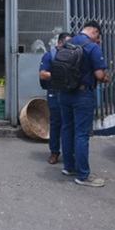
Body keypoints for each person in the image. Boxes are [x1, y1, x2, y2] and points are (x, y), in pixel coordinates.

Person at [58, 21, 109, 187]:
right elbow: (99, 74)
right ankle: (83, 175)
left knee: (67, 129)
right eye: (98, 35)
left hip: (64, 92)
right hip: (82, 94)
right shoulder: (93, 47)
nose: (98, 39)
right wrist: (106, 77)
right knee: (81, 134)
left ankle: (69, 167)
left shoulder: (67, 43)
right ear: (94, 31)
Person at [39, 32, 72, 165]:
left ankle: (69, 153)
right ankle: (54, 152)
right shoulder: (50, 56)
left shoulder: (73, 56)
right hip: (54, 92)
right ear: (60, 43)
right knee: (56, 123)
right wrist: (60, 76)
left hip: (69, 92)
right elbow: (43, 74)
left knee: (69, 124)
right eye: (68, 43)